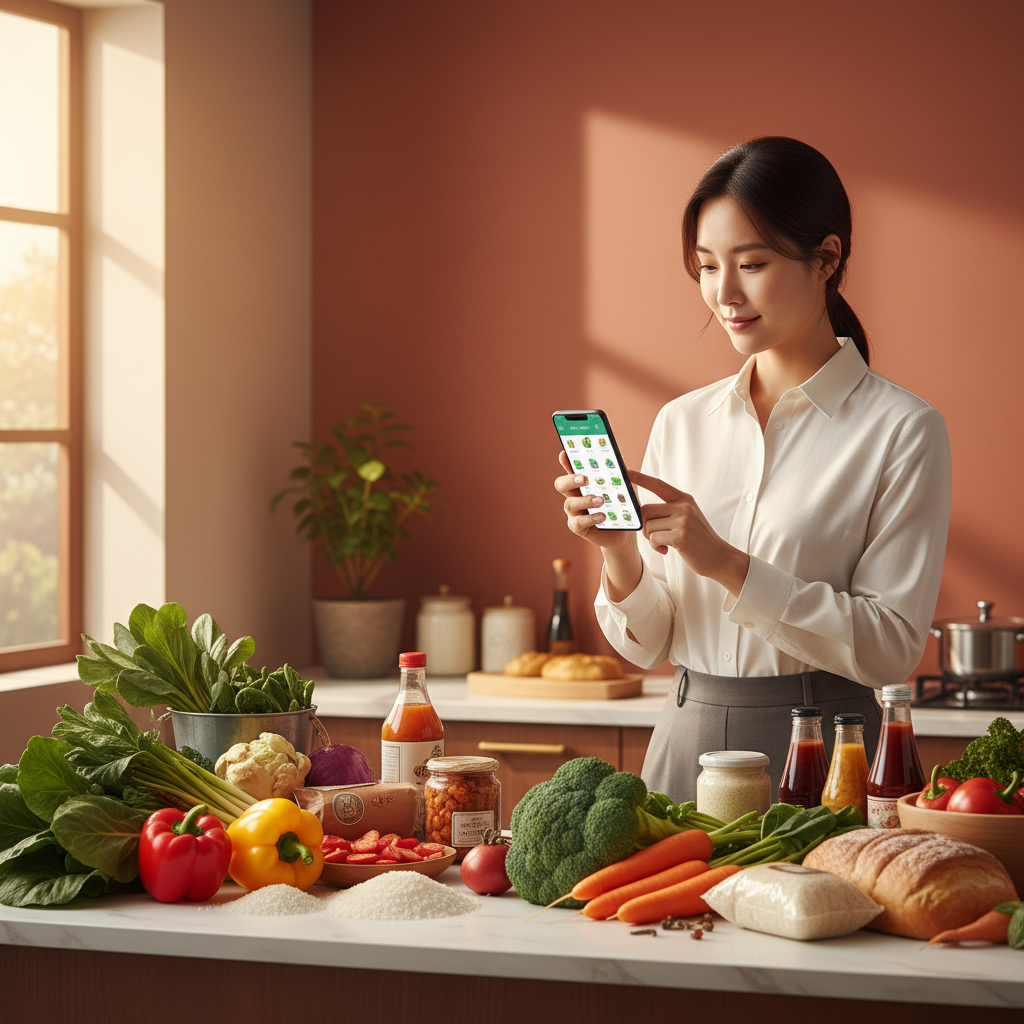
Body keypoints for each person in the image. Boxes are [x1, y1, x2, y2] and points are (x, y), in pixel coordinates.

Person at [554, 137, 952, 803]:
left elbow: (891, 648)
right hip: (683, 741)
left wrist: (726, 564)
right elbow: (647, 645)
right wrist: (618, 551)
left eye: (752, 264)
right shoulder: (683, 421)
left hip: (824, 753)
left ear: (827, 258)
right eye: (707, 266)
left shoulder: (903, 429)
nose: (724, 293)